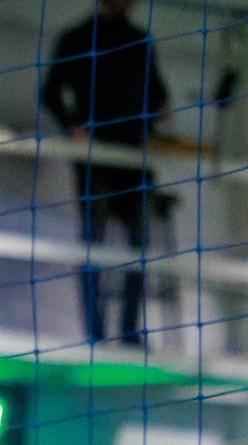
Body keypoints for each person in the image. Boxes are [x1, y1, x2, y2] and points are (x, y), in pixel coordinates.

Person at [41, 0, 170, 347]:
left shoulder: (140, 41)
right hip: (95, 159)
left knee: (139, 244)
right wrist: (73, 127)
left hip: (132, 160)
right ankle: (95, 331)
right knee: (93, 244)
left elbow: (158, 96)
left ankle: (129, 329)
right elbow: (50, 92)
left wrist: (158, 113)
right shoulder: (78, 38)